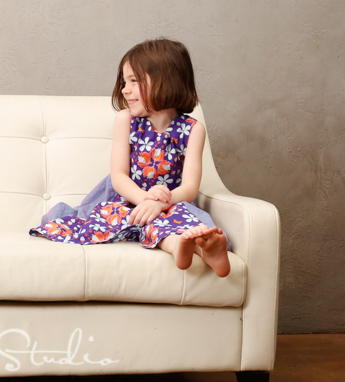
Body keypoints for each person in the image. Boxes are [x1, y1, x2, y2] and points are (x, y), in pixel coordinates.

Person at [30, 38, 231, 277]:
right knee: (131, 218)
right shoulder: (126, 120)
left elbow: (189, 187)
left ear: (166, 81)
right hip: (127, 199)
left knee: (175, 222)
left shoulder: (193, 129)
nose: (125, 89)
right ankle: (182, 246)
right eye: (125, 81)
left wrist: (159, 203)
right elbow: (119, 176)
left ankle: (198, 248)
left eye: (134, 81)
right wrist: (146, 199)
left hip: (170, 203)